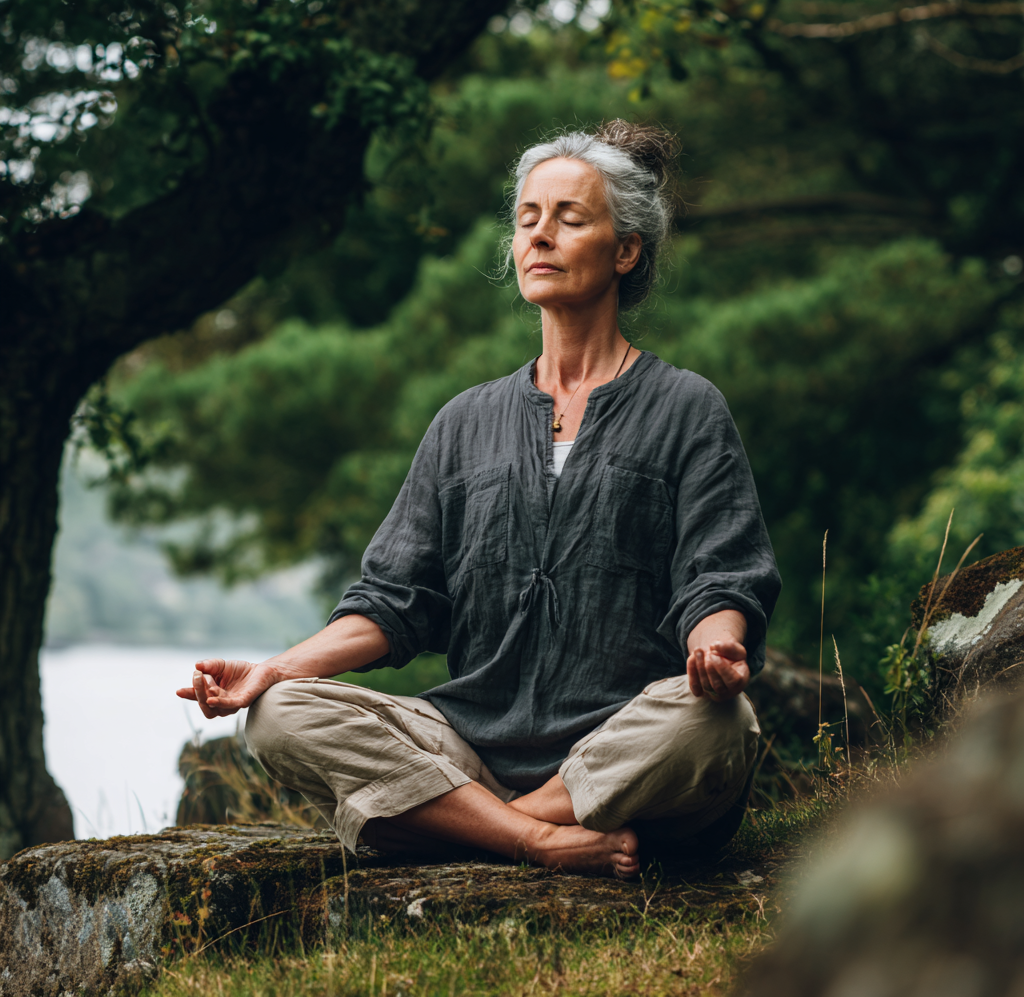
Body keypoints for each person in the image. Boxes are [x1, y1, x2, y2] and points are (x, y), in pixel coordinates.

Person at [177, 120, 781, 879]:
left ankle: (460, 824)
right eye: (528, 218)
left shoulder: (687, 407)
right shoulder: (464, 422)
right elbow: (392, 600)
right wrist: (274, 669)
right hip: (468, 741)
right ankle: (533, 838)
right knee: (280, 715)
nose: (540, 236)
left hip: (622, 744)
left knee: (717, 724)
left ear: (625, 250)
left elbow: (721, 577)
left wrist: (713, 649)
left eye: (570, 218)